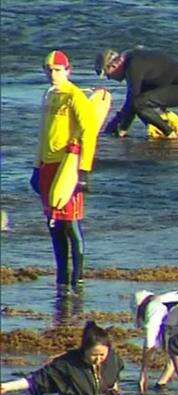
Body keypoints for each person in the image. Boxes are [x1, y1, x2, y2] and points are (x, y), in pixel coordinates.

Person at [34, 51, 100, 297]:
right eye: (49, 70)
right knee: (54, 226)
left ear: (68, 70)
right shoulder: (49, 95)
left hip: (67, 167)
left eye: (58, 70)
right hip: (47, 167)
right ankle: (62, 278)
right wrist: (35, 166)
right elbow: (43, 134)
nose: (53, 74)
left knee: (71, 225)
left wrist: (84, 171)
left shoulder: (75, 96)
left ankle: (78, 280)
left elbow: (89, 131)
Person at [96, 48, 178, 139]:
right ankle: (166, 122)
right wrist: (112, 128)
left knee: (139, 103)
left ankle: (170, 134)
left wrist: (122, 130)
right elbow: (129, 104)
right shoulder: (131, 60)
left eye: (106, 74)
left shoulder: (133, 66)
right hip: (175, 86)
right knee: (141, 102)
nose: (109, 78)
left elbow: (133, 103)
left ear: (113, 65)